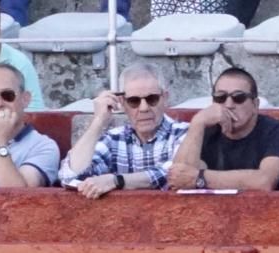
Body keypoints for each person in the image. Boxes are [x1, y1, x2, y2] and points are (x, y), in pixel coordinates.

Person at [61, 63, 189, 198]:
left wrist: (117, 181)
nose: (144, 108)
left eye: (152, 99)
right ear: (122, 102)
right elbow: (69, 176)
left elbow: (175, 174)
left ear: (165, 98)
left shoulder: (184, 133)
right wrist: (98, 121)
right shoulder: (113, 139)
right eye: (134, 101)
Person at [168, 67, 279, 192]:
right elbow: (180, 178)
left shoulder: (278, 131)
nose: (229, 105)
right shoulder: (204, 131)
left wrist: (200, 178)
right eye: (220, 98)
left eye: (238, 97)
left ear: (255, 105)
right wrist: (197, 123)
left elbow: (265, 181)